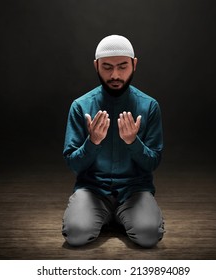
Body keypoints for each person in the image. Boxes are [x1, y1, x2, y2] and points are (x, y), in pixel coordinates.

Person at [62, 35, 164, 248]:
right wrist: (93, 142)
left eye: (122, 67)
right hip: (93, 190)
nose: (115, 75)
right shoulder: (80, 106)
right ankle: (105, 216)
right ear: (96, 65)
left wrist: (132, 142)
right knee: (76, 235)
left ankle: (124, 216)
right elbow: (73, 164)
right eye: (107, 67)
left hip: (134, 191)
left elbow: (152, 163)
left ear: (134, 64)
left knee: (148, 235)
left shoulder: (150, 106)